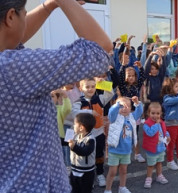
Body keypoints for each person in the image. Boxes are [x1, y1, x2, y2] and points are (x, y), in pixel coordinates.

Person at [0, 0, 112, 192]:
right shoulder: (12, 68)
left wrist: (50, 5)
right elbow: (101, 49)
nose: (26, 20)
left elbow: (10, 42)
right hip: (35, 185)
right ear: (11, 16)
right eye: (24, 15)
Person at [104, 97, 143, 193]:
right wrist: (118, 105)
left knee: (124, 170)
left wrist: (137, 103)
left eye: (127, 106)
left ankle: (122, 187)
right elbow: (111, 112)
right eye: (122, 106)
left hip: (126, 150)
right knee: (112, 172)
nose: (125, 108)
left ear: (130, 108)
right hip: (115, 150)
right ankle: (108, 189)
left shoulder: (131, 117)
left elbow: (140, 111)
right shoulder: (114, 117)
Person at [142, 102, 170, 189]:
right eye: (153, 113)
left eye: (158, 113)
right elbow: (150, 133)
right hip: (152, 149)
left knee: (159, 163)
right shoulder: (146, 124)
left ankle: (159, 175)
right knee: (151, 165)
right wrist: (156, 124)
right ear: (148, 113)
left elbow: (165, 131)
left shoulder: (161, 122)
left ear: (161, 114)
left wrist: (168, 136)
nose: (155, 116)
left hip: (160, 148)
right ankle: (149, 178)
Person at [69, 113, 97, 193]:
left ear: (81, 127)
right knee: (74, 190)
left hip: (86, 173)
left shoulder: (90, 140)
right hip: (74, 170)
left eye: (75, 124)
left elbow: (85, 152)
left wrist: (74, 147)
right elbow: (65, 142)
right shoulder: (75, 136)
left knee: (85, 190)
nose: (73, 126)